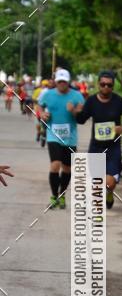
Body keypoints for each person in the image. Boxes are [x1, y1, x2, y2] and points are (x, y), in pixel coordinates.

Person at [75, 70, 122, 209]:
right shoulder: (91, 101)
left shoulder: (119, 102)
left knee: (109, 182)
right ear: (98, 85)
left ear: (113, 86)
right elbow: (82, 120)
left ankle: (109, 193)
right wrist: (77, 112)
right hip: (96, 146)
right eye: (103, 84)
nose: (106, 87)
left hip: (113, 147)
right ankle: (97, 210)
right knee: (96, 181)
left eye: (109, 85)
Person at [38, 69, 83, 209]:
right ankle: (54, 196)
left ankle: (62, 195)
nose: (62, 84)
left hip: (70, 138)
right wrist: (42, 114)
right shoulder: (47, 94)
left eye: (64, 81)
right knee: (55, 164)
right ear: (56, 82)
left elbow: (82, 115)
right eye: (59, 81)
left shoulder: (77, 96)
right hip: (53, 135)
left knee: (67, 168)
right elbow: (38, 106)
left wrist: (74, 111)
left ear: (68, 82)